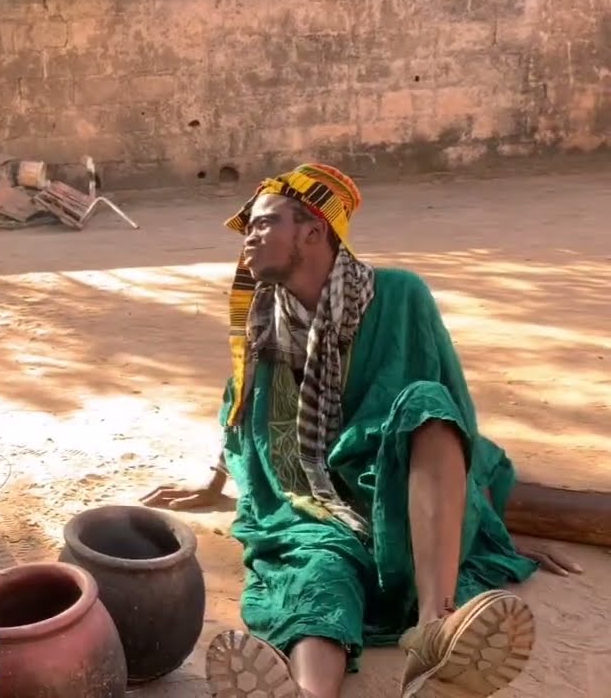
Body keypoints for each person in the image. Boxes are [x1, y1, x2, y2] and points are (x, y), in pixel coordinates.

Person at [169, 163, 557, 698]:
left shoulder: (399, 295)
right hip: (312, 500)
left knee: (426, 402)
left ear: (313, 230)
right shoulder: (265, 321)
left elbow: (450, 418)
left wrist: (479, 504)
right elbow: (241, 403)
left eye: (262, 224)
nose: (248, 239)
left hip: (399, 484)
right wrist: (216, 478)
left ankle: (434, 627)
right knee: (319, 568)